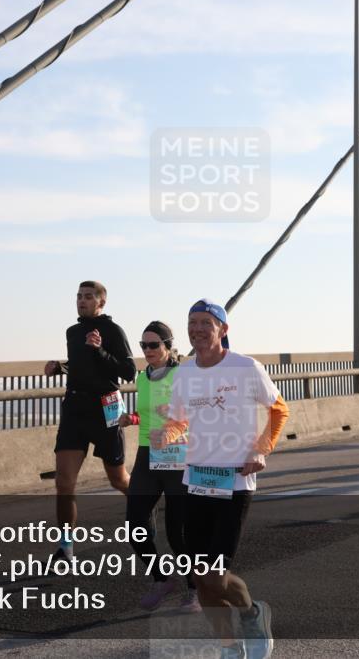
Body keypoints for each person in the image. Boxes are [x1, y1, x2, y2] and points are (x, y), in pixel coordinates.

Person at [155, 299, 289, 659]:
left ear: (222, 330)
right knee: (201, 579)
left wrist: (261, 449)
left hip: (234, 484)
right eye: (192, 323)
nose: (197, 329)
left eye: (205, 323)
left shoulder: (246, 368)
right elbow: (180, 419)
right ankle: (230, 647)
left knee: (214, 576)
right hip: (195, 481)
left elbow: (279, 409)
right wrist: (168, 434)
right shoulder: (183, 373)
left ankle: (251, 614)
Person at [44, 281, 136, 560]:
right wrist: (60, 367)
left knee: (118, 480)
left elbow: (128, 371)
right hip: (75, 407)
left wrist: (100, 350)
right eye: (78, 297)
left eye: (87, 297)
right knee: (63, 482)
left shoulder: (112, 330)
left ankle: (143, 509)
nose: (81, 301)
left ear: (101, 303)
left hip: (105, 407)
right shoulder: (73, 332)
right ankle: (66, 548)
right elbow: (81, 365)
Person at [119, 321, 199, 613]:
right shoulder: (142, 378)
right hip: (147, 454)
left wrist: (171, 429)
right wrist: (133, 419)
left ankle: (194, 589)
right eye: (143, 345)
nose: (148, 350)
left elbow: (191, 413)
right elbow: (146, 413)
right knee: (134, 527)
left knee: (177, 533)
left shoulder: (183, 376)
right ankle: (162, 579)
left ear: (168, 346)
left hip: (178, 455)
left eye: (154, 345)